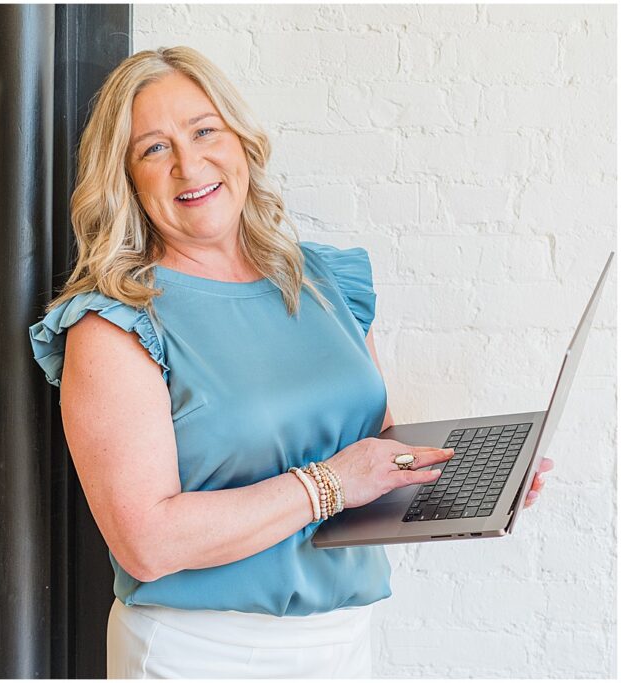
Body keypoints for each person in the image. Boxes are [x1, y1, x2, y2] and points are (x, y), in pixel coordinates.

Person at [29, 47, 553, 678]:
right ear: (126, 179)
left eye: (203, 131)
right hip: (200, 653)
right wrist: (328, 483)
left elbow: (369, 450)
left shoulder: (327, 282)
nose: (189, 163)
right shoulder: (113, 323)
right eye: (154, 148)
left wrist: (471, 481)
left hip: (343, 639)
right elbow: (147, 542)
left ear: (240, 141)